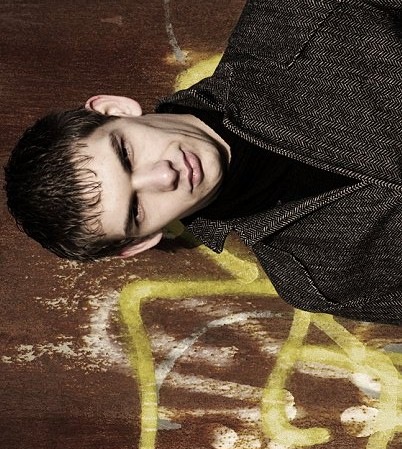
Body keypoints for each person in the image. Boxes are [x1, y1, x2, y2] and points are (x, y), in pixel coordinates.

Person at [4, 0, 402, 324]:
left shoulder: (296, 17)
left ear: (115, 110)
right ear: (141, 242)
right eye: (136, 209)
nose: (163, 175)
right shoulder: (318, 282)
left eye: (126, 153)